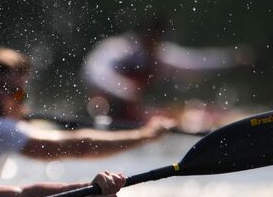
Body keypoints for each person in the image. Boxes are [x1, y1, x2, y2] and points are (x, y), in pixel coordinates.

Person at [0, 47, 175, 183]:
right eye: (18, 94)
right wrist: (146, 135)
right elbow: (79, 147)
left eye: (24, 94)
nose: (22, 102)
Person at [81, 14, 248, 122]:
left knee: (191, 112)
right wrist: (126, 90)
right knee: (99, 104)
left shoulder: (159, 54)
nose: (156, 43)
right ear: (145, 33)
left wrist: (233, 58)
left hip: (133, 115)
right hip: (104, 110)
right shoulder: (117, 49)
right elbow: (93, 73)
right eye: (154, 37)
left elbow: (194, 61)